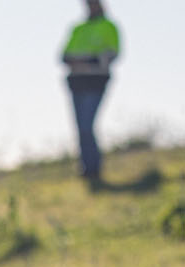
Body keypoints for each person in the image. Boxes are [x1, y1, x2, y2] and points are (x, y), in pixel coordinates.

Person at [61, 0, 120, 185]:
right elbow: (64, 57)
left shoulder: (109, 27)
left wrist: (82, 61)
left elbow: (110, 56)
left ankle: (93, 169)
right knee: (80, 128)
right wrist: (88, 59)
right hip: (76, 84)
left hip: (96, 83)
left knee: (87, 126)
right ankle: (86, 169)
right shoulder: (78, 28)